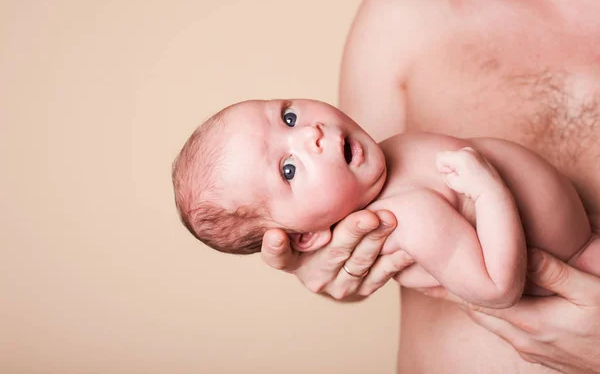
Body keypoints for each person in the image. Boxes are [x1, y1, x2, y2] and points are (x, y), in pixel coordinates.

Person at [260, 0, 600, 373]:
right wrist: (328, 261)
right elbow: (363, 233)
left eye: (290, 116)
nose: (309, 135)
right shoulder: (403, 15)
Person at [172, 97, 593, 308]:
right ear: (309, 236)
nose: (310, 134)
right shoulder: (405, 218)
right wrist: (488, 190)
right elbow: (497, 288)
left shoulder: (380, 163)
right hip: (582, 263)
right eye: (288, 170)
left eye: (288, 118)